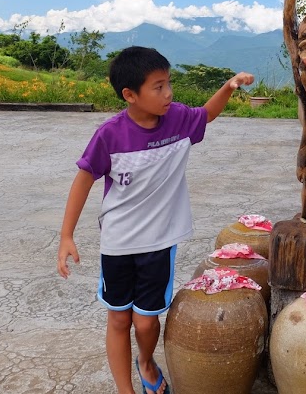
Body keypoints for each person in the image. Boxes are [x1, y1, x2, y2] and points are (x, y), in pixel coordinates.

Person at [56, 46, 253, 394]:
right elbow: (84, 178)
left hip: (159, 242)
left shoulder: (176, 119)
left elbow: (206, 114)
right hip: (118, 242)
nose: (168, 93)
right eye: (158, 87)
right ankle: (125, 389)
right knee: (118, 318)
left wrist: (229, 86)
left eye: (168, 83)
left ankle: (145, 362)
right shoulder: (110, 135)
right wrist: (66, 235)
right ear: (130, 95)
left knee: (146, 323)